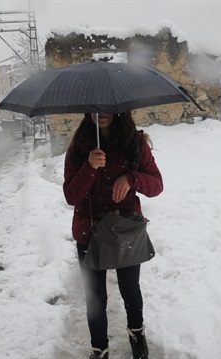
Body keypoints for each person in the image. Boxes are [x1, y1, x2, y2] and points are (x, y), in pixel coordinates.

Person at [63, 112, 163, 359]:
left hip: (124, 230)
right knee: (95, 296)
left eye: (107, 106)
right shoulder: (78, 150)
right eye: (95, 107)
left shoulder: (134, 144)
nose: (102, 112)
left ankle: (137, 333)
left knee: (130, 287)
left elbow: (156, 185)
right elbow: (71, 196)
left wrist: (132, 178)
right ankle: (100, 348)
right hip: (90, 232)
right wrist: (89, 167)